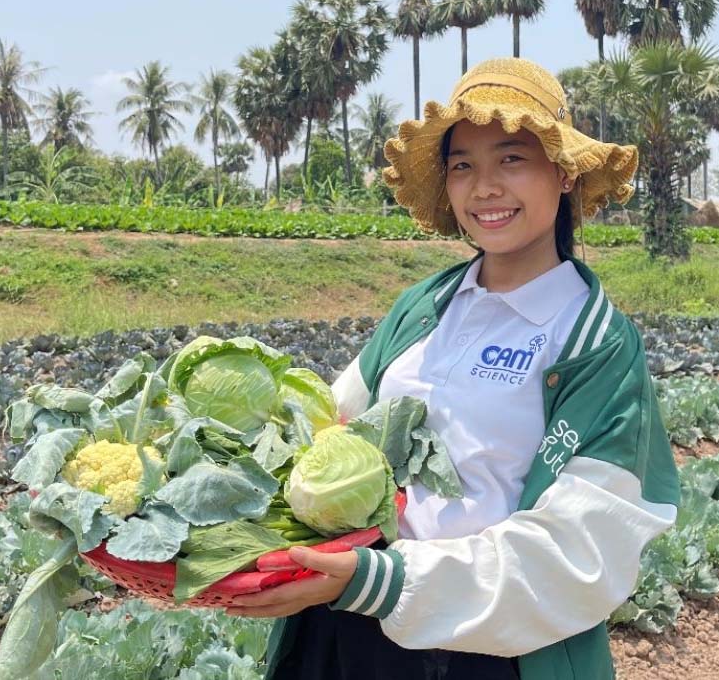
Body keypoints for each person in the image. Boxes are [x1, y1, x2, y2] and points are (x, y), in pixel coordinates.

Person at [226, 58, 681, 680]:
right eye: (462, 165)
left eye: (511, 159)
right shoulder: (425, 305)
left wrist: (387, 582)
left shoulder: (595, 342)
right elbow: (329, 427)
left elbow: (584, 544)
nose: (484, 187)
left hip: (487, 645)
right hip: (350, 618)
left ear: (566, 173)